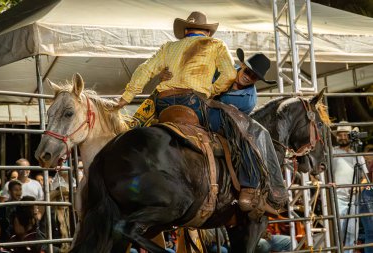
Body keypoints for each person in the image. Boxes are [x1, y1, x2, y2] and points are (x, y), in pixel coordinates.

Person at [117, 11, 287, 216]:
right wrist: (209, 92)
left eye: (253, 76)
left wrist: (127, 96)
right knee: (242, 131)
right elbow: (227, 75)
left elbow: (144, 69)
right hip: (194, 103)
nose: (248, 76)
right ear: (207, 32)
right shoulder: (215, 46)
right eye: (248, 71)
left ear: (185, 30)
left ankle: (124, 134)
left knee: (140, 123)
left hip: (163, 104)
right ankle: (249, 187)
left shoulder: (168, 47)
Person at [332, 122, 368, 253]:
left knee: (351, 233)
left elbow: (365, 178)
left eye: (344, 134)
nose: (342, 137)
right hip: (337, 197)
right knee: (338, 230)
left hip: (353, 199)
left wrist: (360, 187)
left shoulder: (356, 155)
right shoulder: (332, 152)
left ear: (350, 136)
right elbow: (321, 173)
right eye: (339, 134)